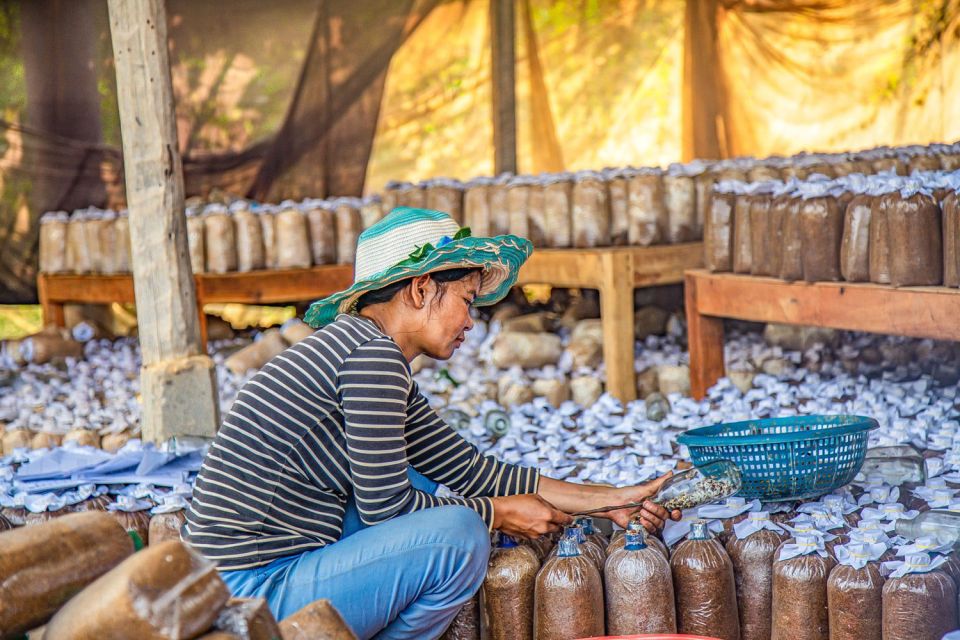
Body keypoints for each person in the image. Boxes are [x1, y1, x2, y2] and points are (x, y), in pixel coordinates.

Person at [185, 207, 681, 639]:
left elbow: (473, 470)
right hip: (248, 598)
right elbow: (388, 508)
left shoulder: (362, 349)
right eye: (466, 300)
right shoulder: (371, 359)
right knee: (461, 532)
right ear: (421, 289)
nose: (471, 321)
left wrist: (612, 498)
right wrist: (497, 514)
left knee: (430, 482)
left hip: (230, 584)